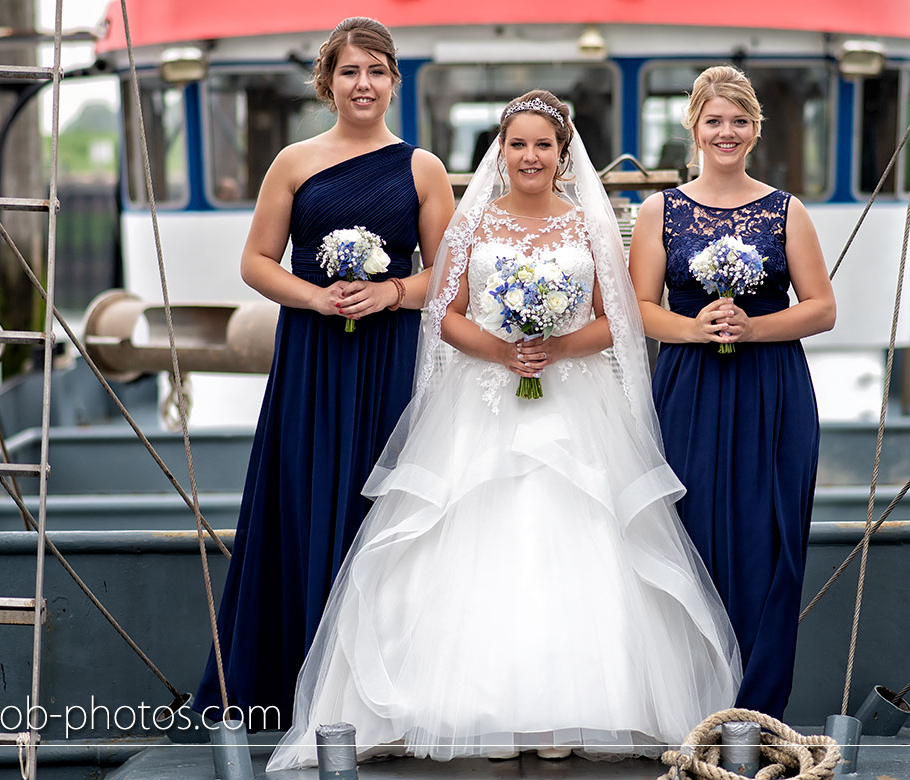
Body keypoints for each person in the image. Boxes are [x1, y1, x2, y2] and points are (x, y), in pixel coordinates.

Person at [266, 90, 740, 768]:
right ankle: (471, 707)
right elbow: (446, 312)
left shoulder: (587, 227)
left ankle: (570, 709)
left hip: (574, 403)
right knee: (469, 541)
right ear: (501, 151)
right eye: (518, 144)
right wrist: (501, 349)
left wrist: (559, 345)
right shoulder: (475, 224)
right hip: (482, 399)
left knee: (576, 543)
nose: (530, 156)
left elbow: (618, 319)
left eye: (543, 145)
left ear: (563, 153)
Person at [191, 17, 455, 725]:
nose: (363, 84)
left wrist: (391, 291)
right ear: (327, 82)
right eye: (350, 72)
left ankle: (380, 693)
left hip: (388, 361)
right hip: (311, 359)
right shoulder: (294, 162)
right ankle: (296, 679)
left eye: (376, 72)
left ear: (395, 82)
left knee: (382, 510)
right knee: (305, 499)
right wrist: (316, 296)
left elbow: (449, 276)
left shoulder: (421, 168)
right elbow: (255, 261)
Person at [629, 65, 836, 718]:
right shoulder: (660, 210)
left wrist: (753, 328)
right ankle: (691, 708)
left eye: (739, 121)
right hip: (689, 389)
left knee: (768, 544)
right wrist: (694, 328)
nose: (726, 132)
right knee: (688, 535)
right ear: (693, 126)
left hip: (773, 392)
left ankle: (757, 712)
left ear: (755, 130)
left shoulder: (785, 210)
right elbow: (637, 309)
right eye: (714, 120)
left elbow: (822, 309)